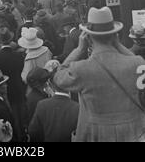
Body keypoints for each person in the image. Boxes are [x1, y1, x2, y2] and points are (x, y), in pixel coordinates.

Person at [54, 7, 145, 142]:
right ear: (115, 35)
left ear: (88, 37)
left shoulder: (82, 69)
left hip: (99, 134)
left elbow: (58, 76)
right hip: (134, 132)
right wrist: (118, 45)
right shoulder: (136, 63)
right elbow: (138, 62)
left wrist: (79, 49)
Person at [0, 29, 27, 141]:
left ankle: (17, 135)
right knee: (22, 111)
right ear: (10, 40)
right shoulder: (18, 55)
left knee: (12, 114)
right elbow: (22, 69)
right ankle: (25, 133)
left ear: (0, 42)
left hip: (6, 88)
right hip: (19, 85)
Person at [28, 72, 79, 142]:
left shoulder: (42, 105)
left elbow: (33, 132)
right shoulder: (78, 108)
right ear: (70, 86)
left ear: (52, 86)